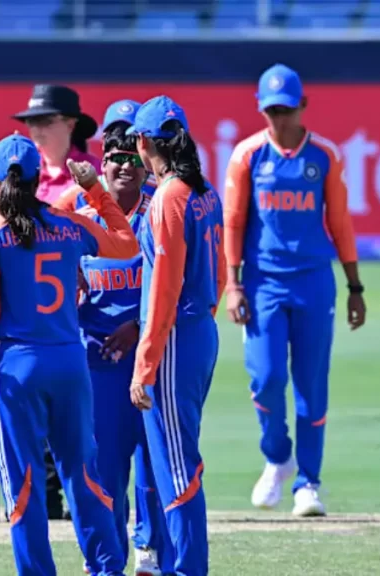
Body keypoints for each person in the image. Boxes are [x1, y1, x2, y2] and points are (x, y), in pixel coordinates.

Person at [0, 134, 138, 576]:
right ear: (39, 178)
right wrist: (94, 188)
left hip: (17, 368)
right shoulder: (70, 225)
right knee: (83, 473)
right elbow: (126, 242)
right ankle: (108, 567)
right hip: (69, 363)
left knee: (24, 484)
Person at [224, 63, 366, 518]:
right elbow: (233, 221)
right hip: (263, 284)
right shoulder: (248, 155)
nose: (279, 120)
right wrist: (233, 283)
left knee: (311, 385)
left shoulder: (324, 155)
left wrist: (355, 286)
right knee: (266, 380)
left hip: (313, 283)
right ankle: (277, 457)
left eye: (286, 110)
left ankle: (308, 483)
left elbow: (340, 222)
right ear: (260, 109)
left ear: (303, 105)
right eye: (271, 111)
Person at [69, 100, 174, 576]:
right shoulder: (77, 211)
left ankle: (150, 552)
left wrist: (138, 327)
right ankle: (106, 558)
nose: (124, 166)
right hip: (98, 362)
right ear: (102, 158)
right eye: (114, 155)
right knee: (104, 468)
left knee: (153, 464)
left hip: (151, 355)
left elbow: (175, 284)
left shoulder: (161, 207)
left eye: (133, 154)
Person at [126, 95, 226, 576]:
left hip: (175, 340)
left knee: (176, 466)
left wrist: (145, 366)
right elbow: (219, 271)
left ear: (144, 143)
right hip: (199, 331)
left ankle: (188, 568)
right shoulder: (205, 191)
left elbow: (163, 289)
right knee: (177, 460)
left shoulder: (169, 197)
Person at [12, 82, 101, 519]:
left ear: (70, 123)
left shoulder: (92, 175)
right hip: (38, 313)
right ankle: (46, 498)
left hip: (88, 310)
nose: (36, 130)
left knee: (84, 410)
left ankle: (88, 496)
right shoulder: (23, 177)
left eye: (45, 121)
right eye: (31, 122)